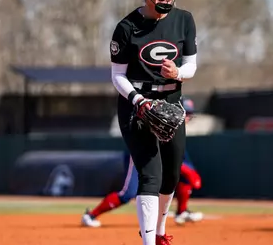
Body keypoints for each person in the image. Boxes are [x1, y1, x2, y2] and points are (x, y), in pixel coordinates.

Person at [108, 0, 198, 245]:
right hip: (137, 105)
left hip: (172, 103)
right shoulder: (127, 27)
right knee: (150, 175)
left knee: (172, 176)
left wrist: (178, 74)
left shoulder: (184, 20)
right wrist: (139, 100)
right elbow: (117, 77)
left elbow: (192, 66)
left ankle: (160, 234)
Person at [81, 97, 203, 228]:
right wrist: (188, 171)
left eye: (190, 114)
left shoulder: (177, 132)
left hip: (153, 156)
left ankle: (181, 212)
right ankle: (91, 215)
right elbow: (161, 154)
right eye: (186, 113)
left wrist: (188, 171)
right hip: (139, 153)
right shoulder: (163, 122)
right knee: (128, 193)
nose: (188, 117)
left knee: (183, 177)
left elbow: (177, 160)